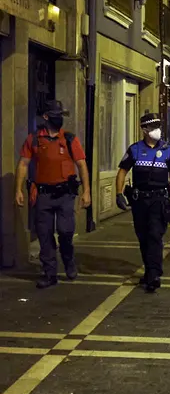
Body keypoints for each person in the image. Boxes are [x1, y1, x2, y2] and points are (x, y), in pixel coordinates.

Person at [15, 100, 91, 289]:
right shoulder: (34, 139)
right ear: (47, 117)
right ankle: (49, 273)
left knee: (66, 232)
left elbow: (81, 165)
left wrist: (87, 191)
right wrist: (18, 189)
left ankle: (68, 260)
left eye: (61, 115)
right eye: (57, 115)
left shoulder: (70, 139)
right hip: (43, 195)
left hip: (65, 195)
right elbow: (23, 164)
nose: (60, 119)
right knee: (44, 235)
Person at [115, 112, 170, 292]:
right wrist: (118, 194)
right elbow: (122, 171)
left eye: (158, 127)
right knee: (143, 236)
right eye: (152, 127)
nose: (156, 130)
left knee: (155, 234)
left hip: (159, 200)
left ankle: (154, 273)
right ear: (144, 129)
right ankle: (149, 270)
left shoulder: (168, 149)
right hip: (140, 200)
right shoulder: (135, 149)